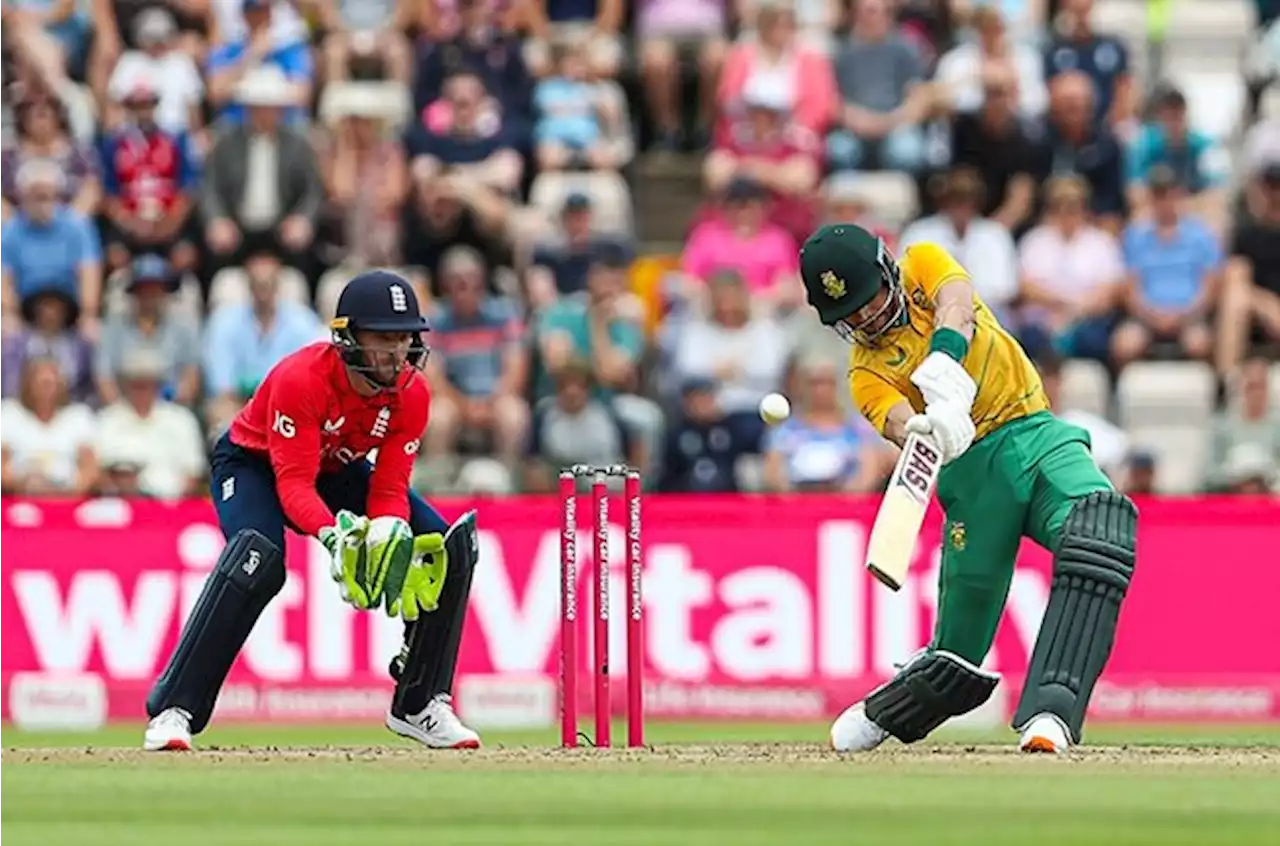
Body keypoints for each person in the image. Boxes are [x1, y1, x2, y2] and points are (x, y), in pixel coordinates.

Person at [798, 224, 1138, 755]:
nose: (865, 318)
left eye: (870, 301)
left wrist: (944, 359)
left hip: (1035, 433)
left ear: (888, 271)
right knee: (956, 658)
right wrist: (924, 427)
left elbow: (956, 301)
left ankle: (1051, 711)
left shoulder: (923, 263)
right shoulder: (865, 372)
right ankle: (883, 712)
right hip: (971, 478)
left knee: (1102, 529)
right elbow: (894, 421)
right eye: (851, 316)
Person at [143, 270, 482, 753]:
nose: (398, 351)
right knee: (256, 559)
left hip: (338, 467)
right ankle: (175, 710)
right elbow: (294, 485)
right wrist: (336, 536)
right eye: (384, 338)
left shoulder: (412, 393)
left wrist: (388, 530)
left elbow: (389, 487)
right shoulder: (300, 379)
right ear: (347, 339)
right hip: (255, 463)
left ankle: (420, 704)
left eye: (405, 337)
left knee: (447, 547)